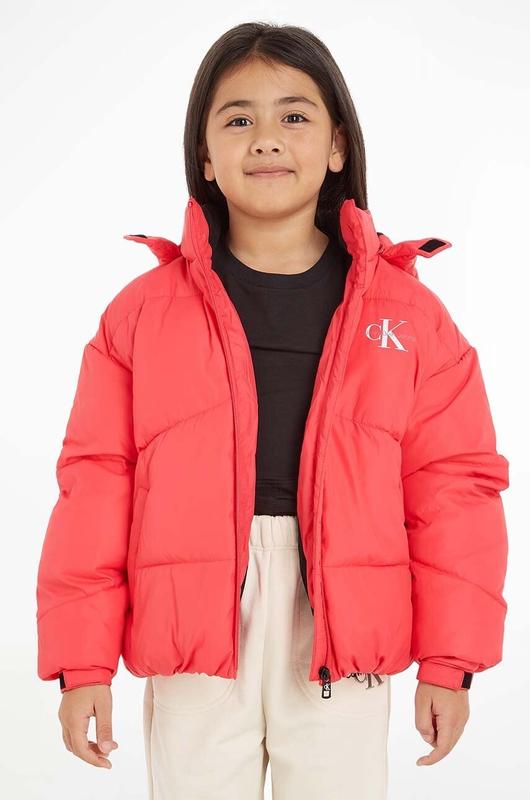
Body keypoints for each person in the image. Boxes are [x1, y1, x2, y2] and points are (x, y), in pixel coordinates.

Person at [35, 21, 510, 800]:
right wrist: (82, 664)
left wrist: (450, 660)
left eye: (294, 115)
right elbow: (94, 485)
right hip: (191, 618)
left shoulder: (408, 316)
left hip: (343, 619)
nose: (266, 139)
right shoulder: (143, 314)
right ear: (204, 156)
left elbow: (453, 489)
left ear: (337, 146)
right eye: (237, 119)